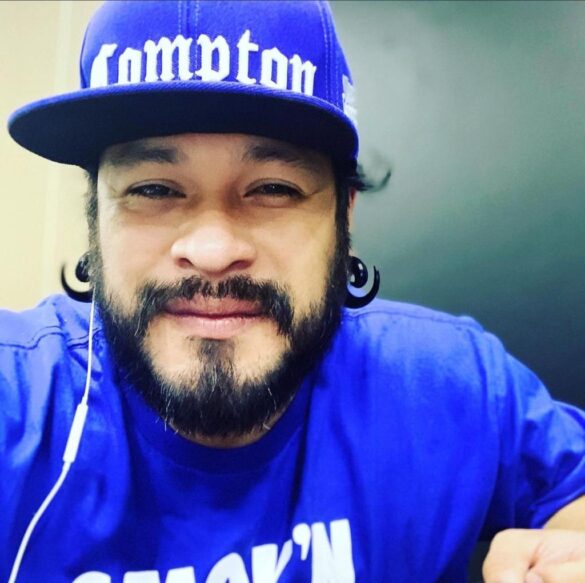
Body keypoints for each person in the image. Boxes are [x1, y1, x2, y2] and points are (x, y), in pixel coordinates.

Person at [2, 1, 584, 581]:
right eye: (153, 189)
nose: (212, 250)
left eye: (274, 188)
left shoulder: (453, 385)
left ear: (343, 215)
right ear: (96, 215)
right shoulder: (20, 401)